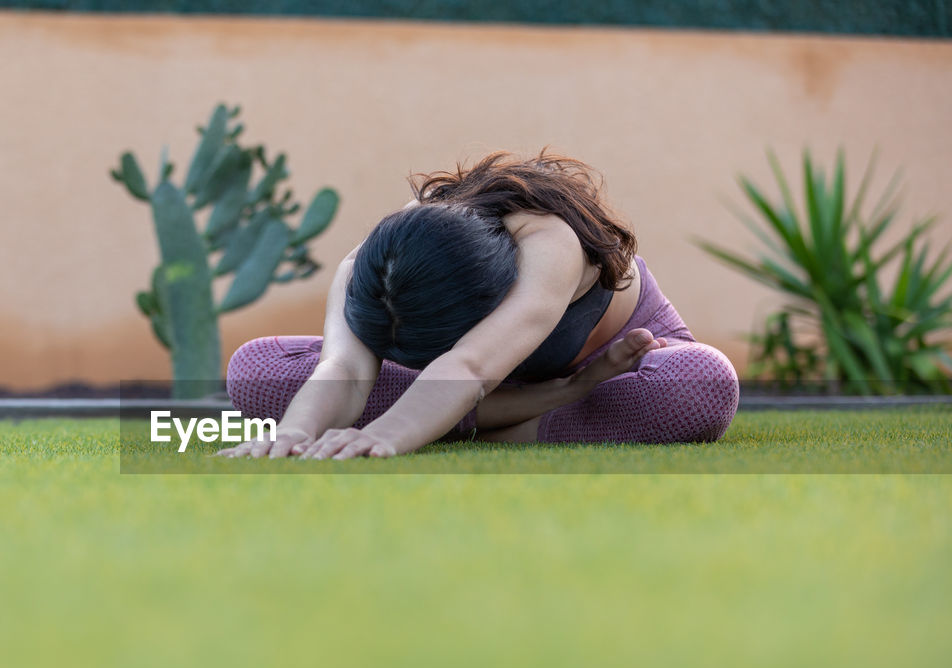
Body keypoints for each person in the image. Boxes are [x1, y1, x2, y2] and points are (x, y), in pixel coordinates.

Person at [219, 151, 739, 460]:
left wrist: (383, 436)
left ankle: (490, 415)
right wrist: (293, 432)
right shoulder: (377, 262)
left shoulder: (547, 241)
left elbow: (469, 364)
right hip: (461, 384)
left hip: (606, 368)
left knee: (700, 385)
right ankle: (531, 414)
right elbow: (347, 369)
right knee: (256, 370)